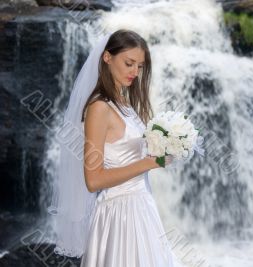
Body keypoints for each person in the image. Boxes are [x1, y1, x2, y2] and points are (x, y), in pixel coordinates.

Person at [48, 29, 181, 267]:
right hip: (119, 216)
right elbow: (94, 180)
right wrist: (149, 163)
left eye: (139, 66)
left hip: (142, 208)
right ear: (107, 57)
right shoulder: (99, 108)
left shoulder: (125, 105)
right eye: (129, 63)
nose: (135, 72)